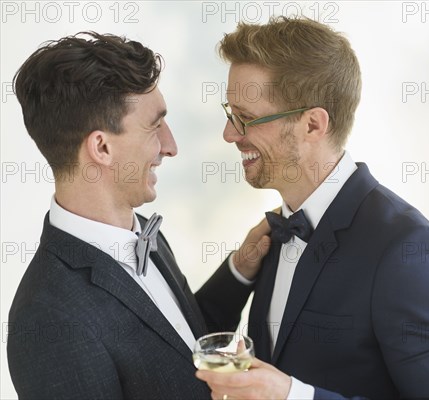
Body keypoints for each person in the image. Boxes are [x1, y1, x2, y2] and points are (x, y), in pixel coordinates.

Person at [196, 17, 429, 399]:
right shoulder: (275, 230)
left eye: (246, 118)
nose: (229, 133)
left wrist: (293, 396)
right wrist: (238, 272)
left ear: (312, 124)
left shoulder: (408, 248)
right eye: (231, 113)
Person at [7, 32, 271, 398]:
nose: (170, 146)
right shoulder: (47, 320)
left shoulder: (145, 232)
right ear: (101, 147)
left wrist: (240, 269)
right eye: (154, 126)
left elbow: (175, 346)